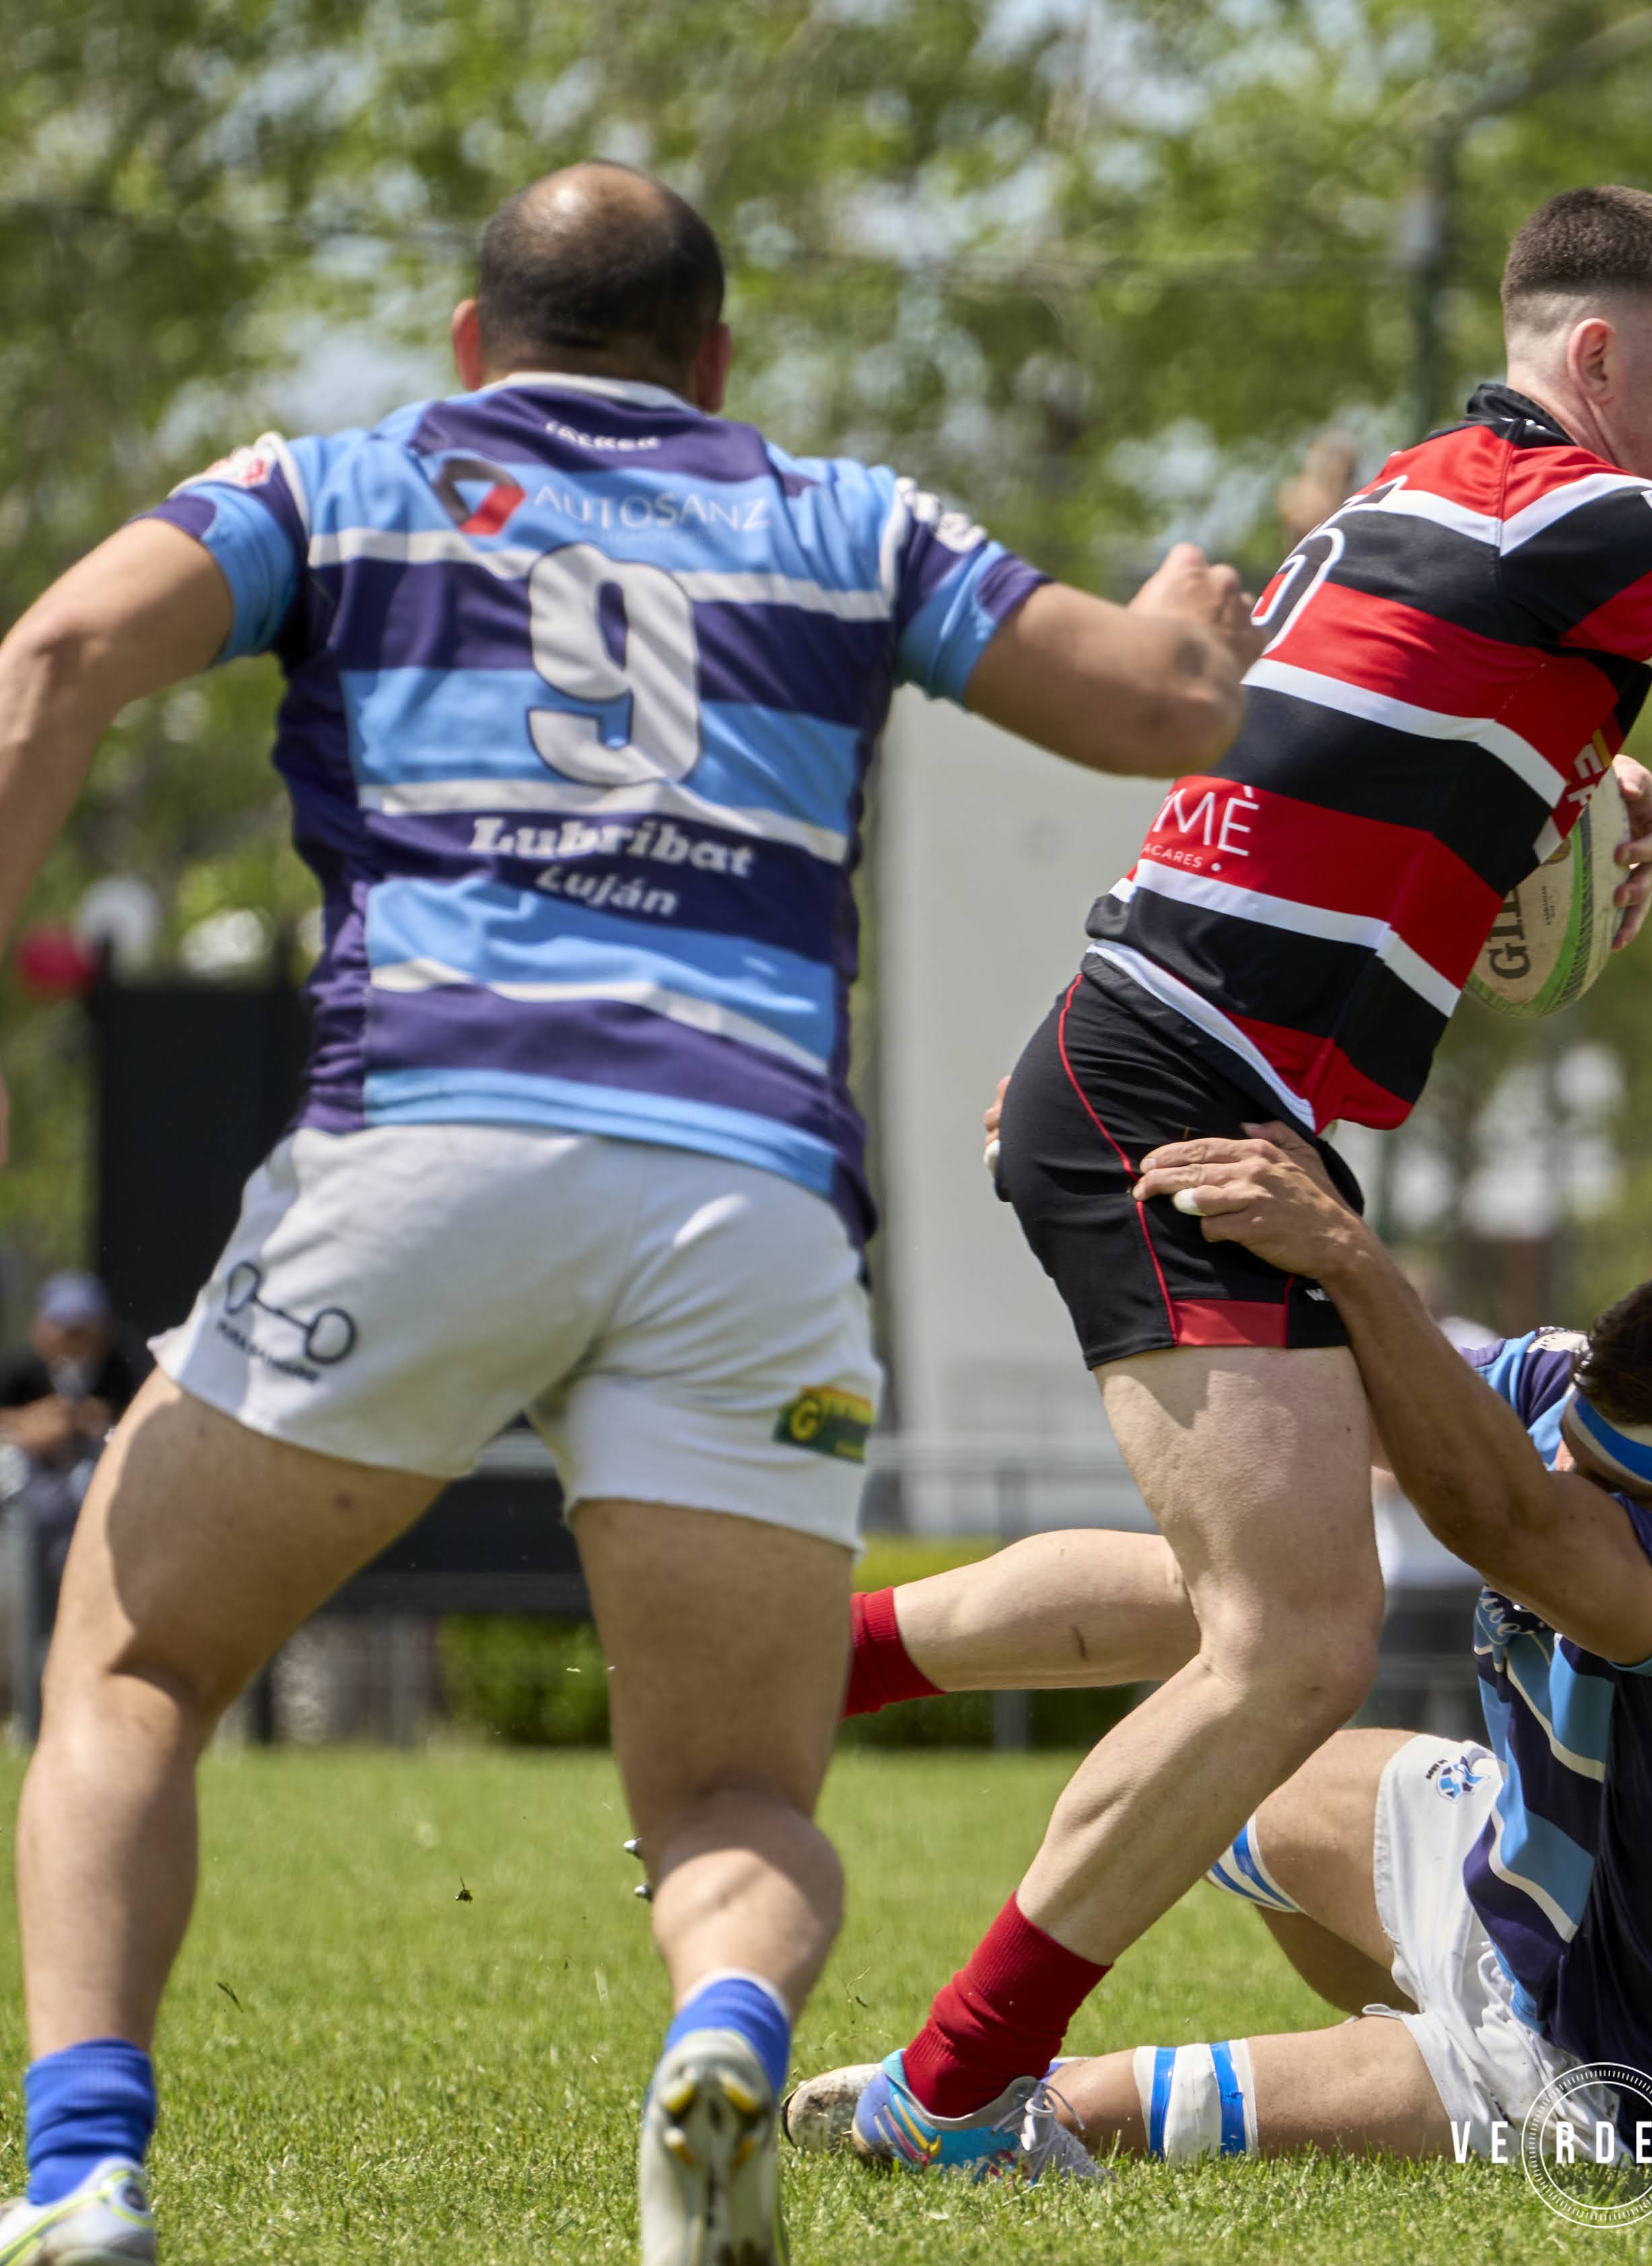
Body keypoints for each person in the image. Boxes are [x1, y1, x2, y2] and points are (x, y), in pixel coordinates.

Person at [0, 162, 1254, 2266]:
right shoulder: (848, 518)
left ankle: (83, 2179)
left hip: (424, 1157)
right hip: (745, 1207)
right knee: (734, 1800)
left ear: (473, 343)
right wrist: (1200, 628)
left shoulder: (342, 480)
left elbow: (53, 657)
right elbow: (1149, 706)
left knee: (127, 1673)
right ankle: (729, 2035)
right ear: (719, 360)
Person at [832, 183, 1652, 2175]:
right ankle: (954, 2096)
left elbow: (1320, 759)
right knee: (1293, 1641)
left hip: (1173, 1071)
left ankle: (809, 1677)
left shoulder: (1412, 497)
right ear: (1595, 359)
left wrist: (1574, 788)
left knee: (1267, 1593)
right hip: (1184, 1084)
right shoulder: (1593, 520)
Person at [793, 1135, 1652, 2176]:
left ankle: (1021, 2090)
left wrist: (1352, 1253)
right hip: (1502, 1854)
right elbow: (1370, 1408)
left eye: (1606, 1487)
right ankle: (807, 1671)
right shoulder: (1578, 1393)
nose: (1566, 1475)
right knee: (1246, 1701)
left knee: (1078, 2110)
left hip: (1614, 2068)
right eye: (1567, 1456)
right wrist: (1094, 1156)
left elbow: (1510, 1520)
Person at [0, 1277, 143, 1478]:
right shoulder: (21, 1372)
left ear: (105, 1331)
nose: (70, 1342)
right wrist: (27, 1423)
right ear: (37, 1329)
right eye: (61, 1326)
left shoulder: (126, 1370)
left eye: (81, 1331)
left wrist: (104, 1424)